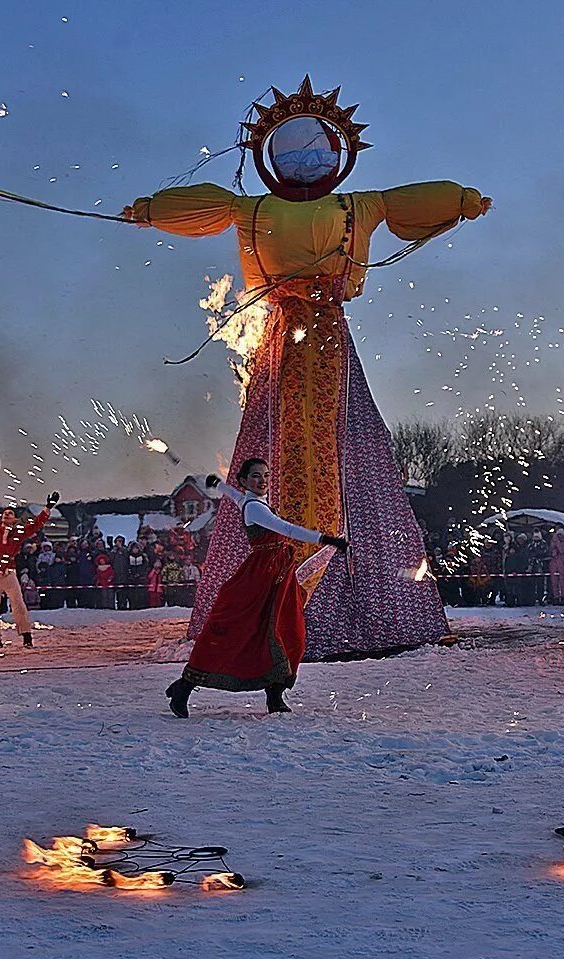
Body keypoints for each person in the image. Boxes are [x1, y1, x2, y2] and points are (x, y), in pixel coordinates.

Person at [125, 85, 485, 660]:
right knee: (308, 443)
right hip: (302, 337)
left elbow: (405, 203)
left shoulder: (302, 208)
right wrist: (460, 199)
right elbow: (408, 202)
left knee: (334, 445)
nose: (304, 161)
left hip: (306, 339)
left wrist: (148, 211)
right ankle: (300, 599)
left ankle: (321, 599)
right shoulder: (337, 207)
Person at [166, 459, 348, 718]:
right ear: (244, 480)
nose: (262, 480)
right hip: (260, 577)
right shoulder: (254, 508)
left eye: (265, 475)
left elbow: (235, 497)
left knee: (286, 632)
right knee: (238, 632)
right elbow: (286, 528)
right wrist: (325, 539)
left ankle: (275, 694)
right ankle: (185, 686)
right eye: (255, 476)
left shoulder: (250, 501)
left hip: (276, 576)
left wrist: (219, 485)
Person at [0, 484, 57, 648]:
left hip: (8, 573)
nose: (7, 514)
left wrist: (47, 508)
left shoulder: (18, 532)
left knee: (18, 604)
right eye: (5, 513)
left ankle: (26, 634)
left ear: (14, 519)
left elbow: (36, 524)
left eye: (10, 513)